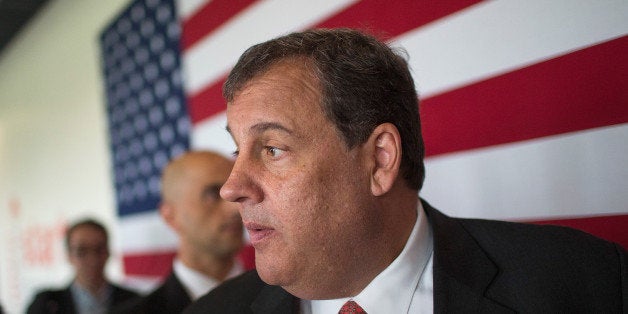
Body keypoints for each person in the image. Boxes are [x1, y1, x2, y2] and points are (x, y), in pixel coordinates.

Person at [183, 28, 627, 313]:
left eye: (273, 148)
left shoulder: (588, 284)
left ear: (379, 160)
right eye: (238, 149)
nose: (232, 187)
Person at [113, 151, 245, 313]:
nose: (235, 208)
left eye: (237, 193)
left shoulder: (283, 294)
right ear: (170, 216)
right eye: (212, 194)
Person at [27, 218, 138, 314]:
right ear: (69, 256)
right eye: (81, 251)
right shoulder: (46, 304)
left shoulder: (134, 302)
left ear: (108, 252)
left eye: (98, 250)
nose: (92, 259)